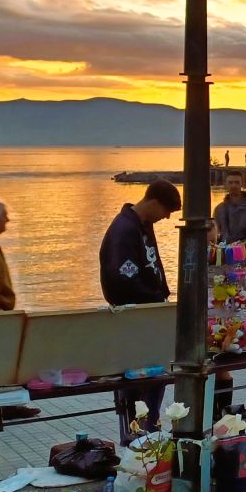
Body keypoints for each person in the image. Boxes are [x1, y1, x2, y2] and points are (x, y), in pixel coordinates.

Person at [100, 179, 182, 441]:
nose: (167, 218)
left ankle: (150, 427)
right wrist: (153, 299)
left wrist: (162, 296)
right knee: (138, 378)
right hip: (136, 316)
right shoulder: (124, 230)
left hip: (151, 311)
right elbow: (123, 279)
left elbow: (151, 265)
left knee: (156, 375)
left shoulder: (144, 225)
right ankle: (136, 433)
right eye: (166, 211)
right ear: (154, 202)